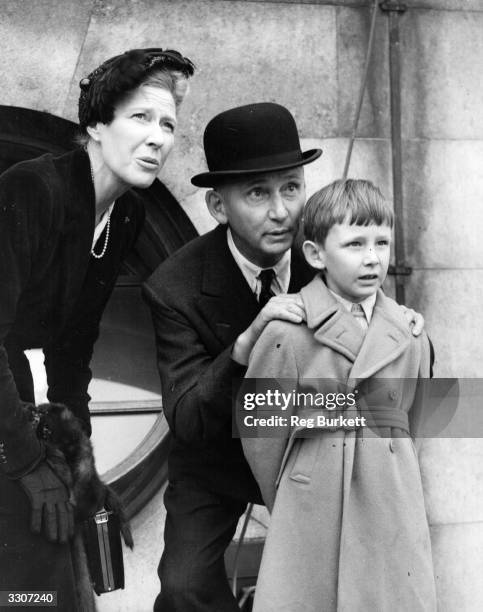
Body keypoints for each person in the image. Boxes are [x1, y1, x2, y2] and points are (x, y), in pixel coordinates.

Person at [143, 104, 426, 611]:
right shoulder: (174, 288)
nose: (281, 212)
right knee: (184, 587)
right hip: (215, 460)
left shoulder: (325, 243)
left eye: (291, 188)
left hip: (316, 451)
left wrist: (402, 324)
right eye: (257, 193)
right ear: (217, 205)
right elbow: (186, 417)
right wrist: (244, 346)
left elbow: (376, 305)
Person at [0, 47, 194, 610]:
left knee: (56, 578)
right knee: (26, 588)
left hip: (15, 420)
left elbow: (72, 352)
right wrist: (30, 461)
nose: (158, 137)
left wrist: (81, 469)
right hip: (5, 426)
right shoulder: (31, 189)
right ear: (94, 125)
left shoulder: (126, 214)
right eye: (140, 118)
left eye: (168, 124)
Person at [241, 179, 437, 611]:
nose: (372, 259)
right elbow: (261, 437)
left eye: (382, 242)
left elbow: (413, 424)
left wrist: (392, 469)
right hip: (313, 503)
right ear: (315, 254)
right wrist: (299, 489)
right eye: (354, 244)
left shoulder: (409, 333)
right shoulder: (287, 333)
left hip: (389, 500)